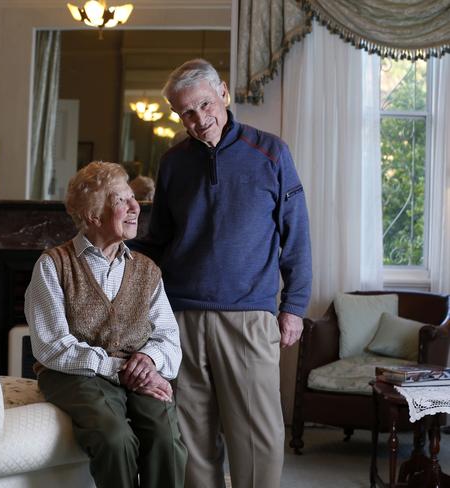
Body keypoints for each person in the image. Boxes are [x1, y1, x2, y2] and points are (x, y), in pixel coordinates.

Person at [130, 59, 312, 488]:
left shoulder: (271, 152)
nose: (198, 120)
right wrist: (111, 246)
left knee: (256, 435)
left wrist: (295, 307)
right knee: (190, 434)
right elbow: (160, 240)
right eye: (186, 113)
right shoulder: (173, 162)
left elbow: (297, 236)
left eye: (205, 105)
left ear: (224, 93)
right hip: (181, 318)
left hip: (248, 316)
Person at [25, 161, 187, 488]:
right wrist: (118, 368)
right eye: (121, 201)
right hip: (73, 373)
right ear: (93, 217)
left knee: (166, 437)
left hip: (134, 370)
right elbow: (51, 346)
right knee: (115, 439)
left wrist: (148, 361)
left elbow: (168, 336)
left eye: (133, 198)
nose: (134, 207)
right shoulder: (53, 265)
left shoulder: (146, 269)